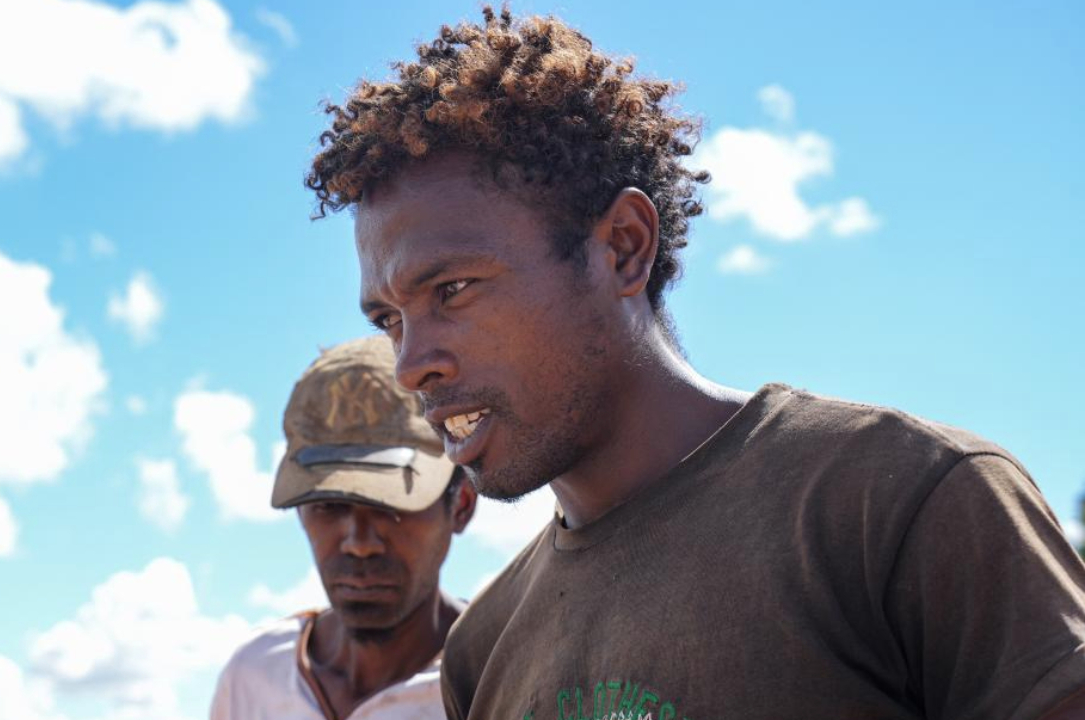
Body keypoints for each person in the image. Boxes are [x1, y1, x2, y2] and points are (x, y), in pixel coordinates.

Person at [305, 7, 1085, 720]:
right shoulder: (482, 651)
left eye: (452, 290)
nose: (410, 365)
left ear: (624, 247)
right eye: (388, 319)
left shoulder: (899, 505)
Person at [209, 335, 476, 720]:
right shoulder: (253, 678)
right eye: (329, 506)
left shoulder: (501, 678)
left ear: (461, 504)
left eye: (390, 507)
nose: (359, 543)